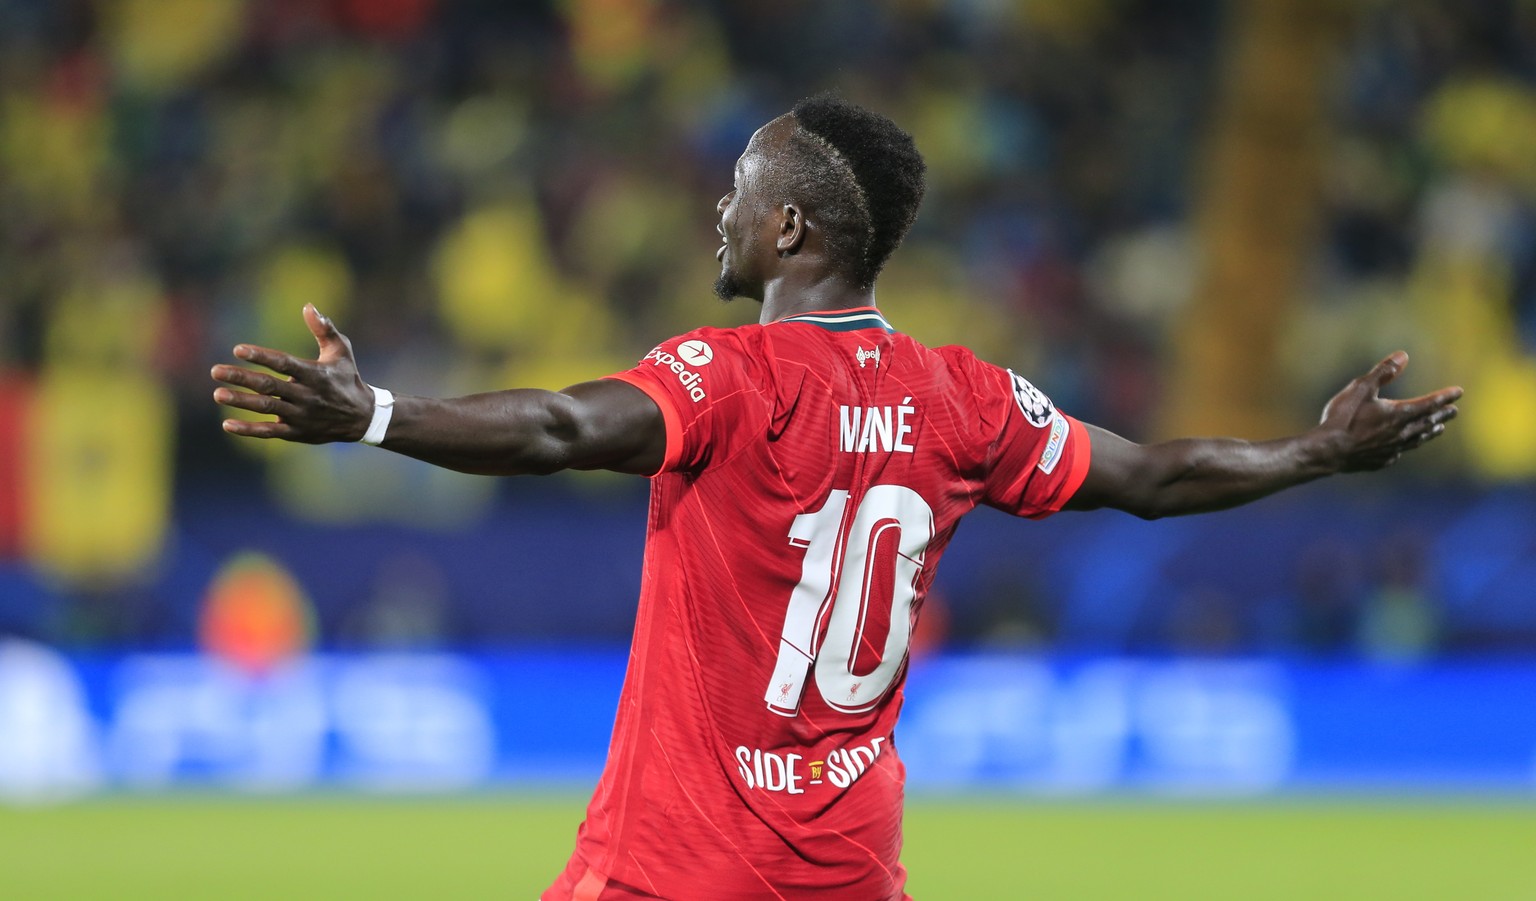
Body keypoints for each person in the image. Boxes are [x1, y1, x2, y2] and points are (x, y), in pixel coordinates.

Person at [211, 97, 1461, 901]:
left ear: (791, 227)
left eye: (741, 191)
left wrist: (372, 415)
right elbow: (1151, 478)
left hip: (676, 863)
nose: (722, 207)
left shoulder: (731, 377)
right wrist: (1311, 454)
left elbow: (556, 427)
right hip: (849, 866)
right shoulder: (964, 396)